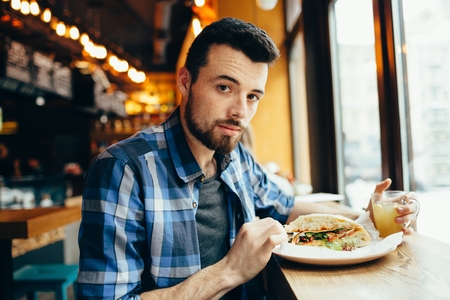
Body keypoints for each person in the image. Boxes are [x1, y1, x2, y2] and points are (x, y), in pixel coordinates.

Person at [76, 18, 416, 299]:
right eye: (224, 87)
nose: (240, 112)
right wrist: (230, 271)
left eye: (253, 96)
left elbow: (289, 206)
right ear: (185, 81)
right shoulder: (122, 170)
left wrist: (362, 219)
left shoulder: (235, 156)